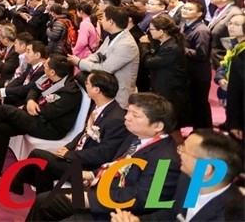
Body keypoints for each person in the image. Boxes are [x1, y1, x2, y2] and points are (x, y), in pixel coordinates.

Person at [26, 92, 181, 221]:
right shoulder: (135, 136)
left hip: (116, 211)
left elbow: (144, 199)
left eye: (135, 115)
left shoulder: (165, 160)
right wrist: (92, 174)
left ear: (158, 126)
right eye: (128, 112)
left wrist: (91, 200)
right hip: (100, 189)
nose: (127, 117)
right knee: (44, 201)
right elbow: (116, 163)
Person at [8, 70, 128, 195]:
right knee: (43, 168)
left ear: (96, 90)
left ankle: (16, 182)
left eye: (87, 83)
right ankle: (42, 200)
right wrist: (67, 148)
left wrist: (69, 155)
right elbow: (85, 133)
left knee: (38, 154)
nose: (85, 85)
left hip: (88, 169)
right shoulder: (99, 106)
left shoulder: (116, 119)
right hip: (77, 157)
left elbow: (103, 154)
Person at [0, 55, 83, 183]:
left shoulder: (71, 91)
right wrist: (30, 101)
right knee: (3, 127)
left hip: (50, 127)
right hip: (37, 117)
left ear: (52, 72)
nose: (43, 65)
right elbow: (34, 89)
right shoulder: (49, 77)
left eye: (46, 65)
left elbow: (49, 112)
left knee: (4, 109)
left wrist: (25, 107)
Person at [111, 129, 244, 222]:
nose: (179, 152)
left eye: (184, 150)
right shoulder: (192, 181)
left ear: (205, 169)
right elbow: (171, 214)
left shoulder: (233, 214)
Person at [69, 6, 139, 108]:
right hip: (106, 88)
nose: (100, 21)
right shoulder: (112, 36)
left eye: (103, 18)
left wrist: (80, 63)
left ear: (111, 22)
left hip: (119, 94)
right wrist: (86, 61)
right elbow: (98, 55)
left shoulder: (126, 44)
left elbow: (105, 69)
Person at [180, 1, 213, 129]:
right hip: (189, 71)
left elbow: (201, 54)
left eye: (190, 9)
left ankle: (205, 132)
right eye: (184, 8)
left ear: (199, 13)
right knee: (193, 104)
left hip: (199, 74)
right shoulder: (184, 25)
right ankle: (197, 130)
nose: (185, 10)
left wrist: (180, 48)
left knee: (200, 105)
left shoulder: (201, 30)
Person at [207, 0, 241, 68]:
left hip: (227, 61)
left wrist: (228, 61)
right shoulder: (219, 10)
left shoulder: (235, 13)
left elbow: (237, 41)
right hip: (218, 59)